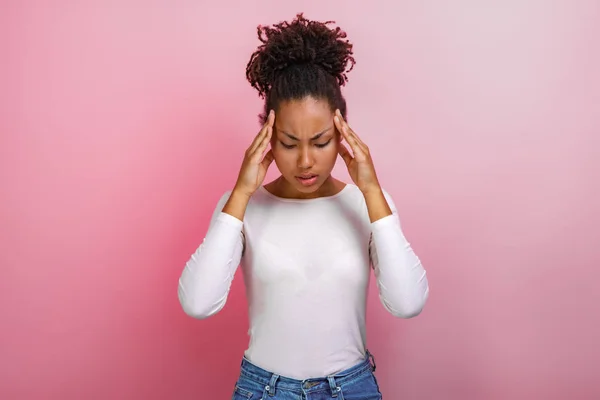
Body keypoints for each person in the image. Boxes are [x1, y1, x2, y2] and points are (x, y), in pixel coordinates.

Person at [178, 13, 429, 400]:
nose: (306, 160)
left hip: (352, 389)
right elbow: (197, 302)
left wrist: (372, 190)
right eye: (290, 143)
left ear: (342, 131)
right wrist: (242, 193)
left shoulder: (366, 205)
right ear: (268, 138)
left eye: (321, 141)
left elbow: (408, 302)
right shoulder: (243, 208)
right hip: (264, 390)